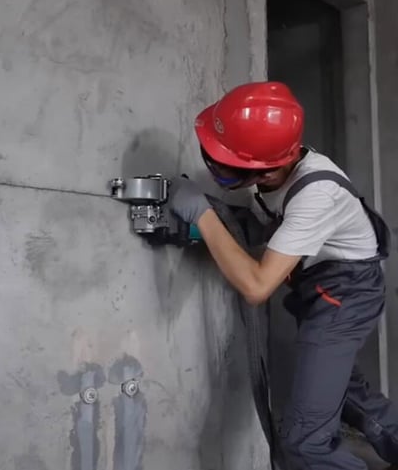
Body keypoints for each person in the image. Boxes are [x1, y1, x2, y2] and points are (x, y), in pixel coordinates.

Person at [168, 81, 398, 470]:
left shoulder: (315, 194)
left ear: (270, 166)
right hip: (324, 288)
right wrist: (214, 219)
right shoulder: (276, 175)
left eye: (226, 171)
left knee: (304, 443)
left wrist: (203, 216)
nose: (217, 171)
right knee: (347, 395)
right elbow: (270, 230)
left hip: (346, 295)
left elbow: (257, 286)